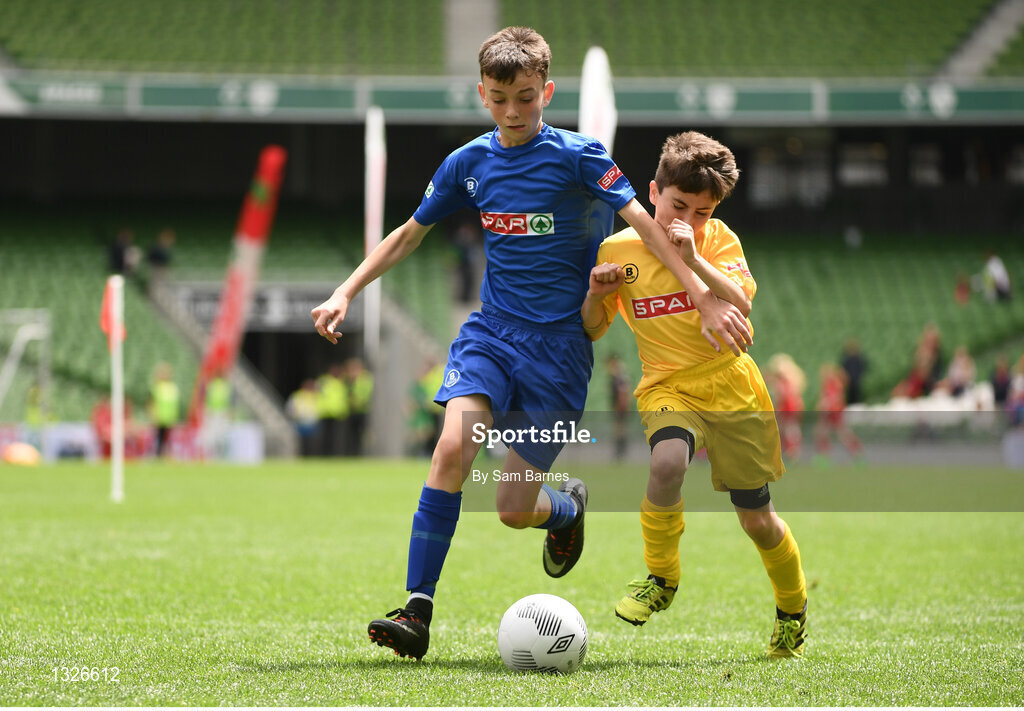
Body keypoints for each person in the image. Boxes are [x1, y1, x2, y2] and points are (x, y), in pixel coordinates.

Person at [310, 27, 752, 662]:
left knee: (514, 509)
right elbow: (409, 233)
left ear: (546, 91)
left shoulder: (581, 158)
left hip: (561, 355)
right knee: (453, 446)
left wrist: (703, 295)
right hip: (491, 336)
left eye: (524, 98)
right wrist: (345, 291)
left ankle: (565, 509)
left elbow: (650, 231)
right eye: (498, 99)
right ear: (482, 94)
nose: (512, 113)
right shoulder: (468, 163)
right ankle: (416, 610)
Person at [580, 131, 807, 658]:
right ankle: (661, 578)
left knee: (757, 519)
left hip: (730, 384)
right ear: (653, 191)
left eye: (701, 211)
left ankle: (792, 609)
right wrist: (596, 292)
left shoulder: (719, 239)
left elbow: (740, 303)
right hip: (666, 384)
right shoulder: (618, 249)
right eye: (678, 205)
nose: (687, 218)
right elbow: (593, 328)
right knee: (666, 465)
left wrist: (694, 255)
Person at [813, 363, 863, 464]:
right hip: (831, 413)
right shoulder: (831, 384)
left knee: (841, 434)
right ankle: (824, 457)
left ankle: (856, 454)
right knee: (823, 434)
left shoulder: (834, 384)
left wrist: (825, 404)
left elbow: (833, 399)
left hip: (834, 413)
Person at [149, 362, 181, 458]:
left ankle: (166, 455)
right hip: (160, 418)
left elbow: (174, 404)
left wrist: (174, 417)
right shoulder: (156, 387)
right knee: (159, 438)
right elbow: (151, 402)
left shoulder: (173, 387)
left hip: (169, 418)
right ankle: (158, 455)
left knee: (168, 439)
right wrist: (153, 415)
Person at [345, 357, 374, 456]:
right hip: (351, 410)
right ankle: (352, 453)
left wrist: (355, 400)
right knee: (351, 434)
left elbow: (365, 394)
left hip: (362, 410)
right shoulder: (349, 379)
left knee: (361, 434)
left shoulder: (365, 378)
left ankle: (360, 454)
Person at [286, 379, 321, 457]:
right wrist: (294, 416)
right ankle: (300, 457)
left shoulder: (316, 396)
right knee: (300, 443)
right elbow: (290, 408)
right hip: (300, 423)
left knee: (312, 443)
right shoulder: (297, 396)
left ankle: (311, 457)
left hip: (313, 423)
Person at [607, 354, 632, 460]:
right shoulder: (619, 378)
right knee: (619, 430)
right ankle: (620, 452)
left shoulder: (620, 379)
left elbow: (623, 394)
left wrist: (621, 408)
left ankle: (620, 453)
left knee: (620, 431)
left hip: (620, 409)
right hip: (619, 408)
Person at [839, 338, 868, 405]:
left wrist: (860, 376)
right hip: (849, 382)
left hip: (857, 382)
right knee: (850, 398)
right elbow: (842, 369)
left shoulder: (859, 358)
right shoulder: (846, 359)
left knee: (857, 397)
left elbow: (863, 368)